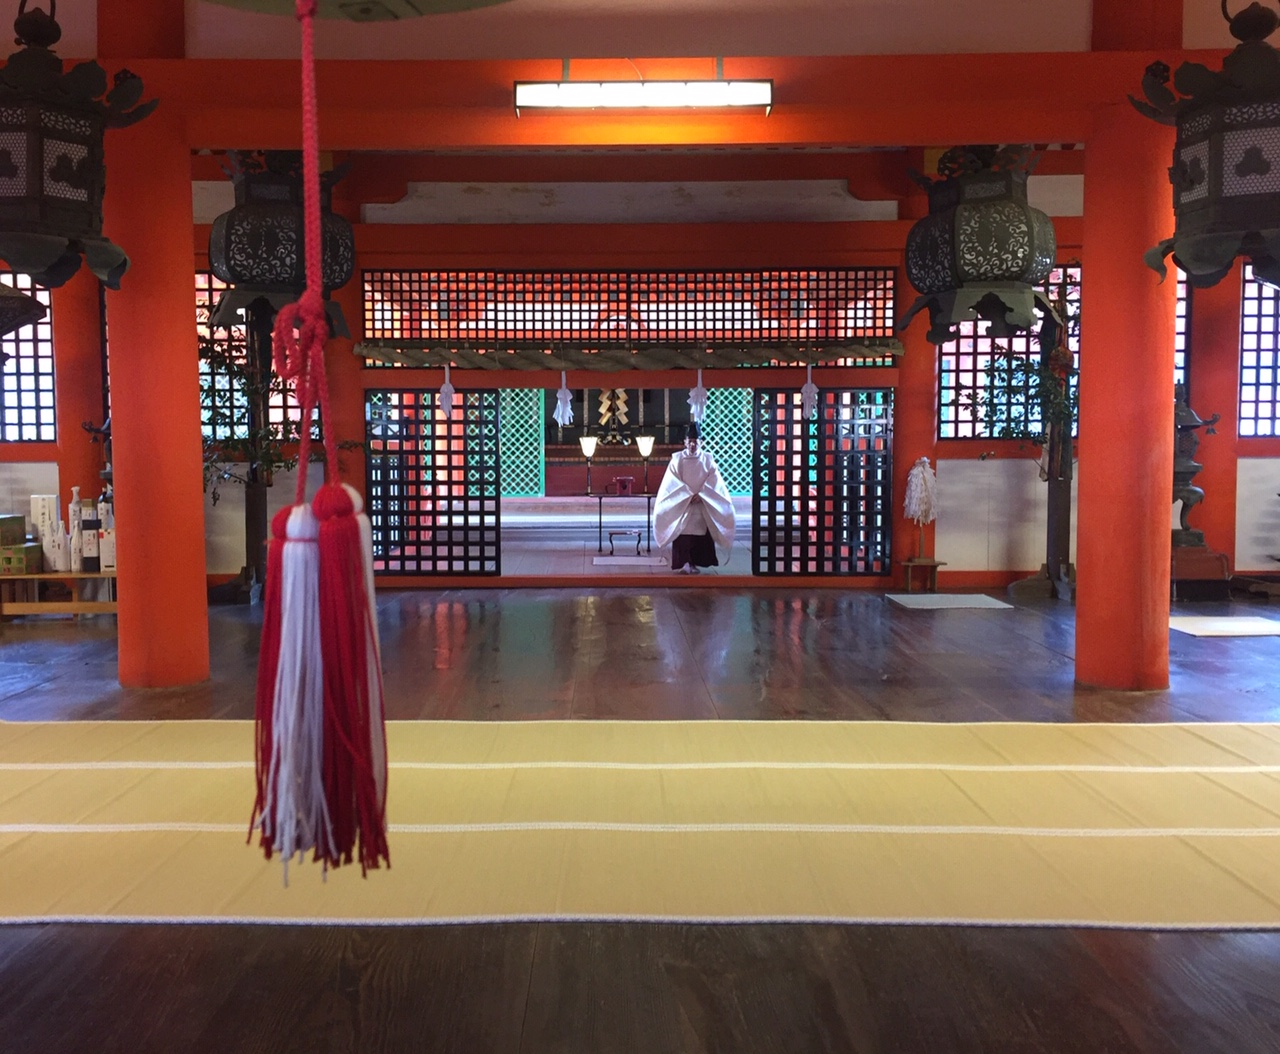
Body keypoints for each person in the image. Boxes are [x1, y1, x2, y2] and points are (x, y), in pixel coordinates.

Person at [653, 423, 736, 574]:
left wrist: (702, 494)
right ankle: (684, 562)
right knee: (683, 534)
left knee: (700, 535)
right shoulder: (677, 459)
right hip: (683, 504)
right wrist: (687, 495)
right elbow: (672, 482)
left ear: (701, 442)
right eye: (690, 441)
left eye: (696, 441)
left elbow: (714, 481)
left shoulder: (708, 459)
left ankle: (696, 562)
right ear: (685, 442)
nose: (692, 444)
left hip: (702, 503)